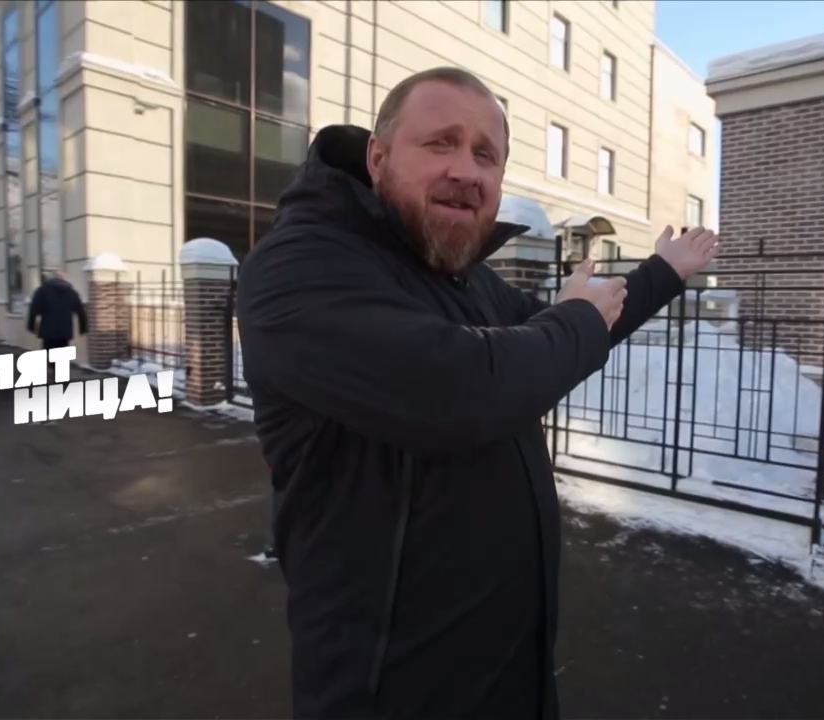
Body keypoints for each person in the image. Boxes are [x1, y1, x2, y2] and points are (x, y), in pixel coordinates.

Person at [237, 66, 718, 720]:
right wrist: (575, 319)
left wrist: (663, 272)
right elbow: (460, 390)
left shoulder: (464, 279)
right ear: (377, 157)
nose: (466, 169)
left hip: (510, 674)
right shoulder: (299, 266)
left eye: (486, 155)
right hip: (391, 691)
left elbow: (563, 332)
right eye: (441, 142)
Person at [26, 268, 88, 381]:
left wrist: (31, 326)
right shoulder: (72, 292)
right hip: (65, 330)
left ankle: (50, 372)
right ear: (64, 278)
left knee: (48, 352)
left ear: (53, 277)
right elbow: (80, 311)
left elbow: (34, 309)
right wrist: (83, 327)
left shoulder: (42, 291)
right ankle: (61, 376)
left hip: (47, 329)